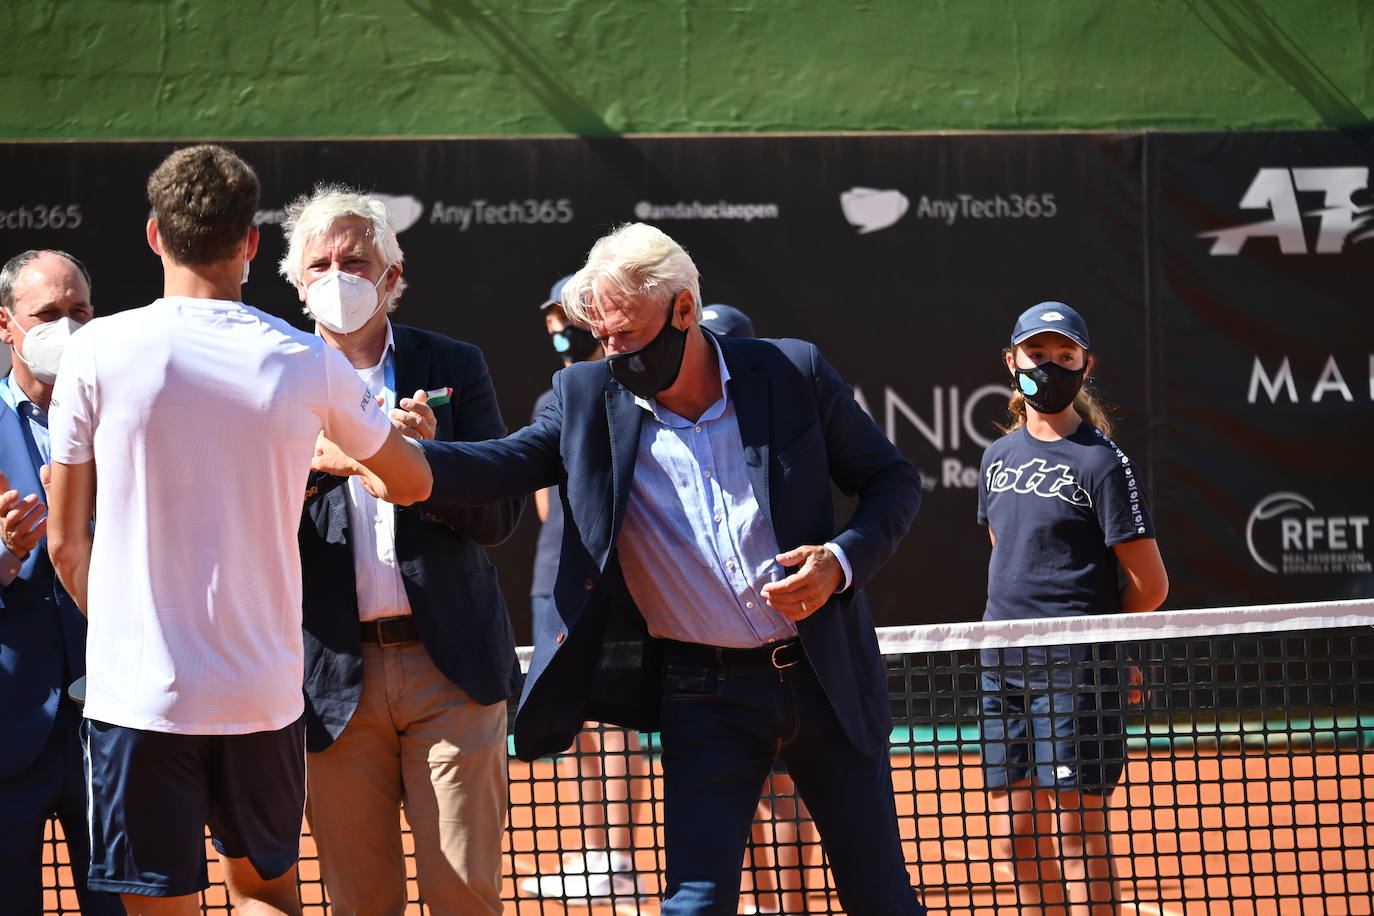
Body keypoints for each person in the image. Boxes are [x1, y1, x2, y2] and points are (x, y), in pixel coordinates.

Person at [396, 223, 925, 915]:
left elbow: (892, 480)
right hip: (704, 694)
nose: (612, 349)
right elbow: (501, 464)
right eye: (603, 335)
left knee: (881, 897)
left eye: (627, 333)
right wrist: (394, 457)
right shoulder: (584, 397)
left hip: (827, 676)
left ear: (683, 309)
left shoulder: (791, 372)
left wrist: (840, 561)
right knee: (696, 902)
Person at [45, 145, 431, 916]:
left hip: (139, 698)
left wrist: (128, 631)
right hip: (263, 695)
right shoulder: (306, 360)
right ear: (251, 242)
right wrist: (366, 450)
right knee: (266, 896)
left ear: (155, 235)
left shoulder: (94, 351)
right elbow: (415, 481)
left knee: (160, 904)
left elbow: (64, 542)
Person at [281, 185, 522, 916]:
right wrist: (312, 471)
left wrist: (435, 462)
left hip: (451, 670)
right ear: (296, 284)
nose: (338, 277)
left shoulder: (455, 365)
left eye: (355, 261)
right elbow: (242, 528)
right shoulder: (272, 373)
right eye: (319, 264)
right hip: (329, 678)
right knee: (359, 901)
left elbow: (501, 516)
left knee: (464, 896)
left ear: (393, 275)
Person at [977, 302, 1168, 916]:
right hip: (1002, 666)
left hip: (1076, 669)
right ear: (1012, 362)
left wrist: (1104, 647)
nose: (1050, 367)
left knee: (1079, 831)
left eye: (1065, 356)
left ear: (1086, 366)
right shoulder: (996, 458)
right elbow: (1005, 552)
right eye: (1037, 354)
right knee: (1014, 833)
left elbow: (1150, 584)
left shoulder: (1102, 462)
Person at [519, 275, 653, 902]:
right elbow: (548, 508)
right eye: (550, 319)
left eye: (564, 316)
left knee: (614, 730)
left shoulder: (622, 392)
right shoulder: (560, 395)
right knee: (580, 727)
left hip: (608, 586)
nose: (555, 329)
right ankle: (592, 854)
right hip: (555, 580)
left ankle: (622, 858)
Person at [0, 250, 122, 915]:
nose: (66, 328)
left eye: (79, 313)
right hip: (8, 732)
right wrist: (4, 553)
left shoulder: (130, 422)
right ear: (5, 324)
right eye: (47, 314)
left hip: (116, 729)